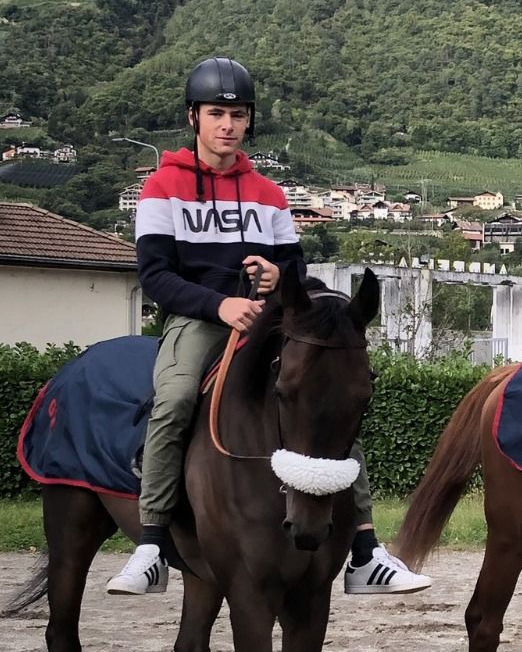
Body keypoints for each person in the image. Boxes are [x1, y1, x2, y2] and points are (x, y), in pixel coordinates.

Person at [106, 55, 430, 597]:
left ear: (249, 121)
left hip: (271, 319)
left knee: (327, 396)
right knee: (177, 397)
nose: (228, 124)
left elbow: (296, 273)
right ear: (193, 118)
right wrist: (220, 307)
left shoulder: (270, 194)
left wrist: (281, 275)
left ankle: (366, 550)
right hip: (200, 320)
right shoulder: (161, 186)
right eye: (216, 113)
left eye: (237, 115)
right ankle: (153, 542)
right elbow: (156, 276)